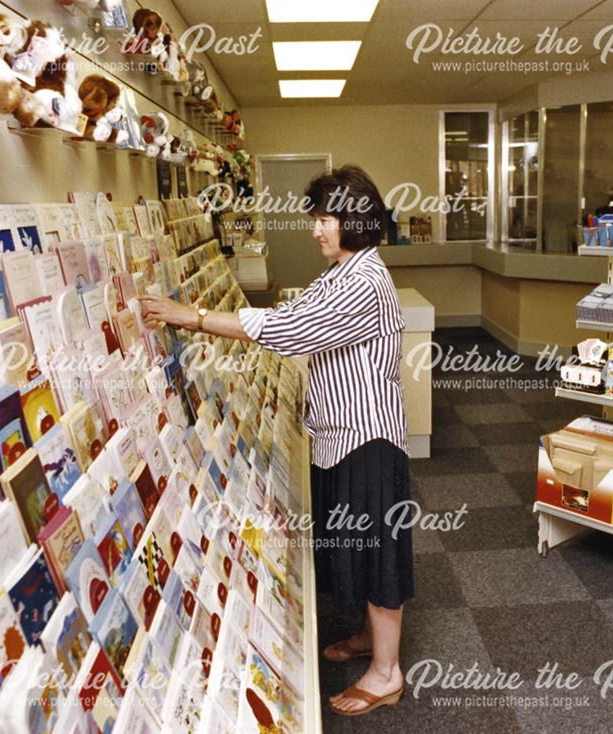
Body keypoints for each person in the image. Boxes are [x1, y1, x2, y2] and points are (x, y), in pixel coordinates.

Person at [139, 164, 414, 717]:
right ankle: (368, 636)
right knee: (356, 544)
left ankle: (387, 673)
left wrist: (192, 318)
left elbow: (289, 330)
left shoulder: (361, 280)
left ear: (355, 220)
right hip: (342, 432)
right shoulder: (343, 269)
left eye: (326, 218)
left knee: (378, 551)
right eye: (315, 217)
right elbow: (296, 313)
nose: (316, 229)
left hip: (368, 437)